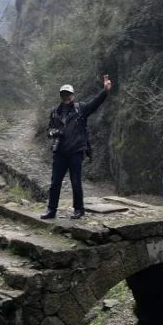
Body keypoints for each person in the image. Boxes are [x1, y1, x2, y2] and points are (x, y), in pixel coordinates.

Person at [41, 75, 112, 219]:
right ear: (61, 95)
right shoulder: (55, 112)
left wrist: (105, 91)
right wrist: (53, 132)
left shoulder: (81, 108)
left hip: (76, 151)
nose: (66, 96)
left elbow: (95, 103)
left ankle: (79, 210)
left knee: (76, 182)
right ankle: (51, 210)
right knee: (55, 183)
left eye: (68, 94)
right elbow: (49, 130)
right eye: (63, 94)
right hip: (59, 152)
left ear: (72, 95)